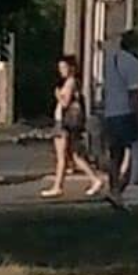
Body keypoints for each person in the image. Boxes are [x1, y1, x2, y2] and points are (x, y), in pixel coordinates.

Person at [42, 54, 105, 198]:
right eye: (60, 67)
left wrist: (58, 95)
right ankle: (94, 179)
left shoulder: (70, 83)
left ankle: (58, 187)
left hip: (64, 123)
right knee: (74, 156)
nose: (61, 70)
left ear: (71, 68)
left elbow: (65, 103)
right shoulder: (73, 82)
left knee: (62, 156)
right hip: (68, 122)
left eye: (64, 67)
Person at [101, 29, 138, 205]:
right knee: (132, 153)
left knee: (115, 155)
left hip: (110, 112)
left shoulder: (110, 61)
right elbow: (133, 95)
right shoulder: (132, 64)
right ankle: (120, 188)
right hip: (126, 113)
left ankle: (113, 189)